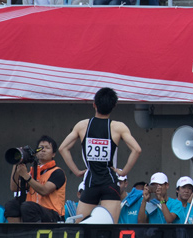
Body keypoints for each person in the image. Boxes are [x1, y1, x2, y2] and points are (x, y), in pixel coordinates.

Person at [59, 87, 142, 223]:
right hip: (109, 182)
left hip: (91, 181)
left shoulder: (82, 126)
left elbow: (63, 148)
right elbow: (137, 149)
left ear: (94, 104)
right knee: (110, 227)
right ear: (114, 106)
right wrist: (123, 171)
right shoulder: (118, 127)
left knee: (81, 226)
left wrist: (77, 171)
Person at [5, 135, 66, 222]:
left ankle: (30, 234)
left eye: (47, 148)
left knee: (28, 206)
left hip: (53, 215)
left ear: (53, 154)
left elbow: (44, 191)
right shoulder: (33, 173)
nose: (43, 150)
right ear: (36, 152)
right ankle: (18, 233)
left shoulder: (58, 172)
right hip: (32, 210)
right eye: (40, 148)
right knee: (12, 205)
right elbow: (14, 187)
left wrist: (26, 176)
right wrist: (17, 162)